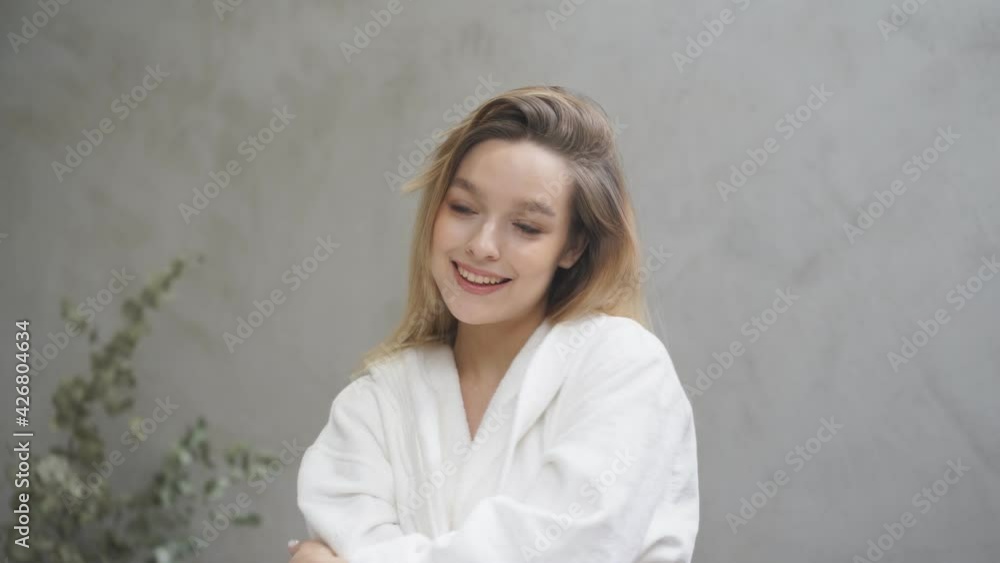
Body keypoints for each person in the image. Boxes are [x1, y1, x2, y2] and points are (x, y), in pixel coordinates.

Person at [290, 86, 699, 563]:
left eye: (526, 227)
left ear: (573, 247)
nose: (482, 245)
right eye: (463, 208)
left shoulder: (624, 367)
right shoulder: (375, 403)